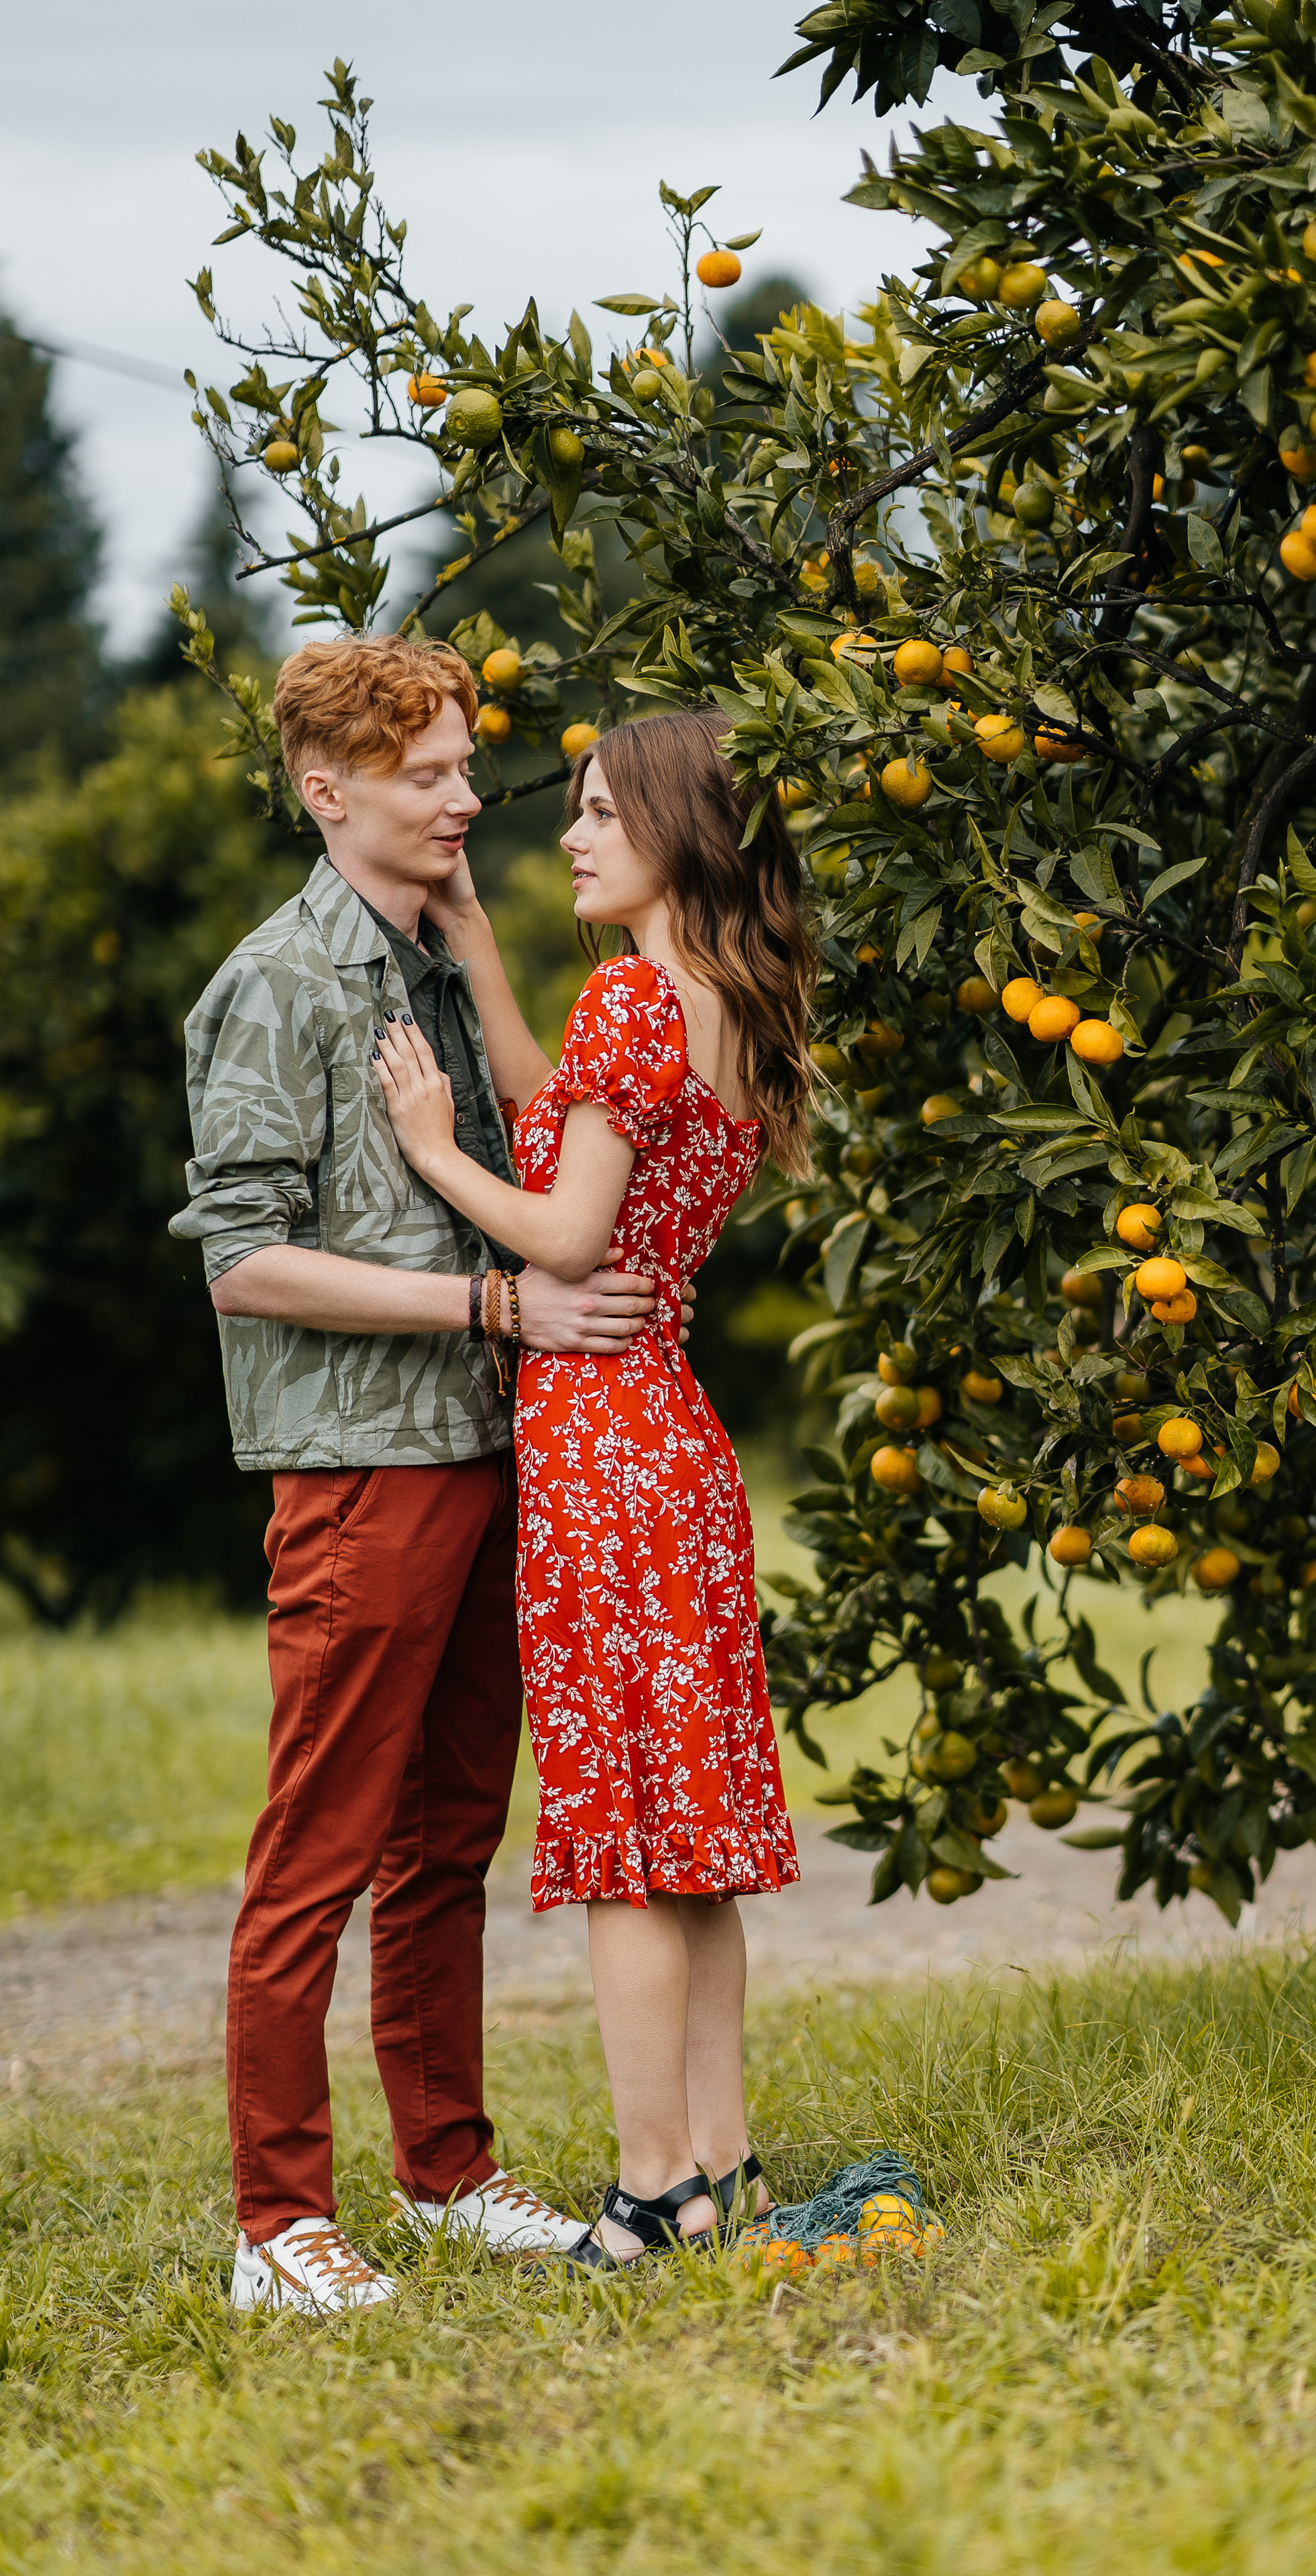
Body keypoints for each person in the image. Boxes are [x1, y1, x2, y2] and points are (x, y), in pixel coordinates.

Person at [172, 633, 686, 2314]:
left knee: (451, 1835)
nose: (470, 797)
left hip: (487, 1449)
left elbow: (539, 1157)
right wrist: (491, 1299)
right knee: (318, 1846)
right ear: (330, 794)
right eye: (428, 775)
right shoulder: (276, 982)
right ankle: (276, 2224)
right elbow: (242, 1261)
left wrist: (475, 959)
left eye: (468, 766)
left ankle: (449, 2169)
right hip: (356, 1466)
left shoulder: (436, 963)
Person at [376, 705, 813, 2265]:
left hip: (602, 1441)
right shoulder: (726, 1007)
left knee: (628, 1834)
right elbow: (573, 1121)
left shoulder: (636, 1000)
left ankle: (649, 2191)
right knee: (686, 1838)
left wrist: (431, 1148)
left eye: (598, 816)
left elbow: (561, 1234)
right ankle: (725, 2164)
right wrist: (485, 942)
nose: (567, 835)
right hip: (675, 1439)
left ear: (678, 833)